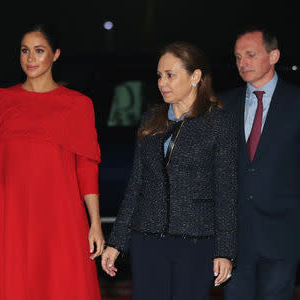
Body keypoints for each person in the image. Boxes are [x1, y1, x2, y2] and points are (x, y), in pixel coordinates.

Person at [0, 24, 104, 300]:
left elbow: (86, 167)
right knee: (15, 285)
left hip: (61, 216)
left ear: (56, 54)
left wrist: (94, 222)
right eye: (25, 51)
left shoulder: (77, 104)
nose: (31, 58)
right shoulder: (1, 100)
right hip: (11, 215)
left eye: (39, 51)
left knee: (63, 285)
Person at [101, 41, 238, 300]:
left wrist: (225, 250)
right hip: (147, 240)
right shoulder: (151, 120)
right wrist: (116, 241)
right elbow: (136, 185)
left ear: (195, 76)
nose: (162, 82)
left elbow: (226, 191)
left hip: (196, 242)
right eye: (160, 76)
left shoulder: (219, 123)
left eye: (170, 75)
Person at [220, 27, 300, 300]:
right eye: (237, 57)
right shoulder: (223, 104)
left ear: (273, 56)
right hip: (233, 237)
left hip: (282, 232)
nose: (242, 63)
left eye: (250, 55)